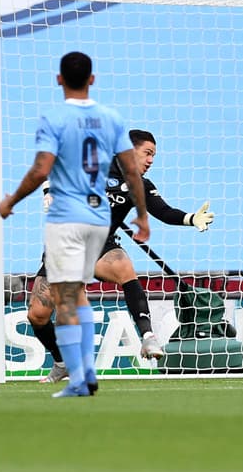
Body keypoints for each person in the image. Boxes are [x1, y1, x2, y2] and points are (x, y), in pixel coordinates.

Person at [0, 51, 150, 398]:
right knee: (77, 295)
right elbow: (130, 171)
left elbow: (40, 171)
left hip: (66, 217)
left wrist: (11, 201)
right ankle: (83, 373)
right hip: (98, 219)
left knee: (67, 298)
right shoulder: (110, 118)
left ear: (59, 79)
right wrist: (141, 214)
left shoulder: (54, 118)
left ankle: (82, 376)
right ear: (92, 79)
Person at [30, 129, 215, 383]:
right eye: (147, 153)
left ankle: (148, 337)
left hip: (100, 246)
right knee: (37, 315)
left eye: (154, 156)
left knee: (124, 267)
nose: (151, 160)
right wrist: (49, 191)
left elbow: (164, 211)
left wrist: (191, 218)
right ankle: (62, 362)